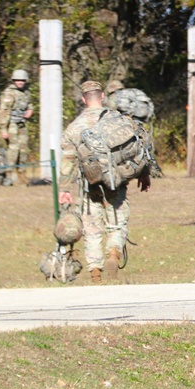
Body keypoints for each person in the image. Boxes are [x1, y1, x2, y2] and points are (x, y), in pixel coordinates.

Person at [59, 81, 151, 284]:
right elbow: (137, 148)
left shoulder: (74, 128)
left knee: (92, 228)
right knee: (116, 223)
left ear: (84, 99)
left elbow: (68, 160)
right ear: (102, 96)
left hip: (90, 185)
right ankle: (114, 252)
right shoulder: (117, 120)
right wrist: (144, 174)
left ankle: (95, 272)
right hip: (116, 181)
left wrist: (64, 188)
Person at [0, 69, 33, 186]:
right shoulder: (9, 93)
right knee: (13, 149)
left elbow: (30, 104)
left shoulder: (26, 92)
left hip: (22, 124)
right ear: (14, 80)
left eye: (22, 80)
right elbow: (3, 111)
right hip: (11, 124)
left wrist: (30, 110)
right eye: (18, 80)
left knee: (24, 149)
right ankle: (9, 175)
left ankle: (22, 174)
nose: (20, 82)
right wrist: (3, 129)